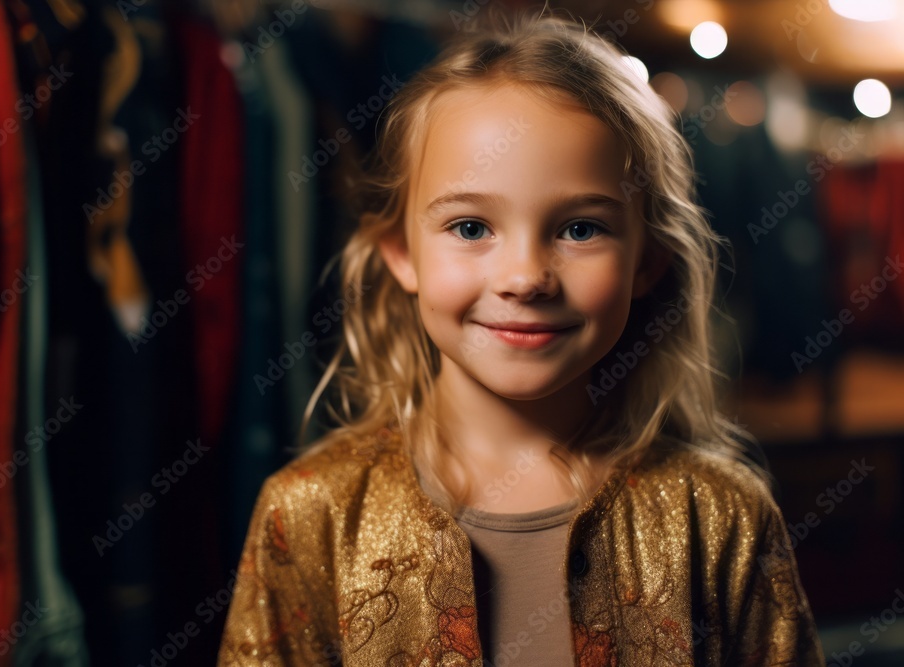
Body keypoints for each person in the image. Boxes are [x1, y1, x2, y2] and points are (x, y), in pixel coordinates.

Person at [217, 10, 825, 666]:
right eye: (472, 227)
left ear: (648, 260)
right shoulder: (309, 515)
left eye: (581, 228)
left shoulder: (723, 517)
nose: (526, 277)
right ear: (399, 250)